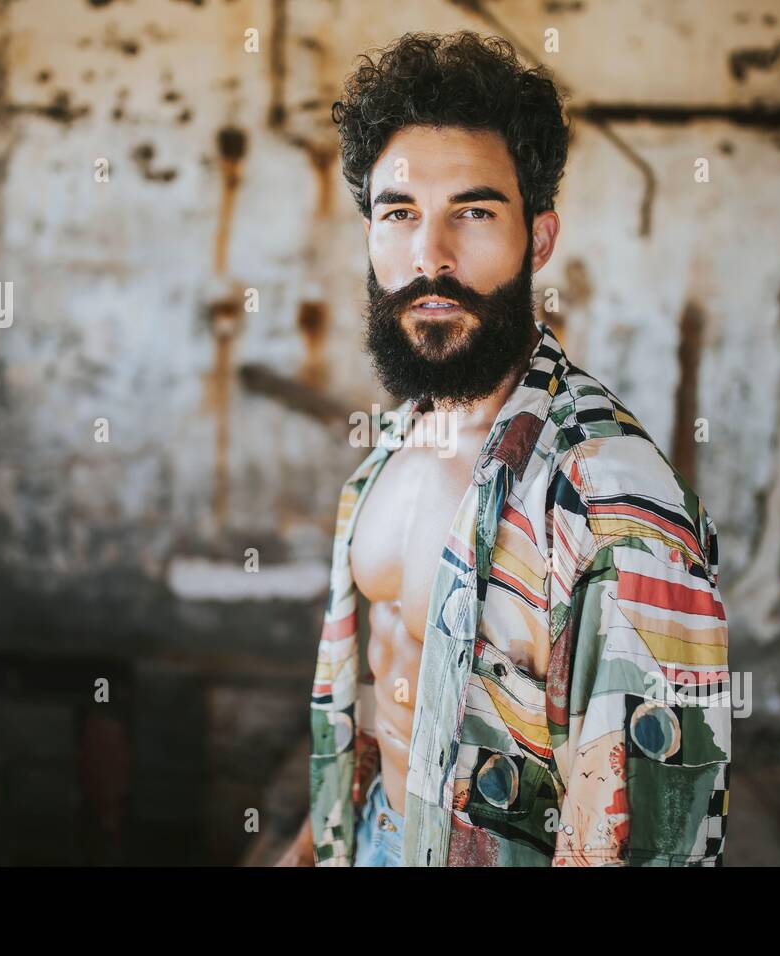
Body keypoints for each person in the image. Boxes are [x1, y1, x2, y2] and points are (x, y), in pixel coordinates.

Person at [277, 30, 730, 867]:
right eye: (400, 214)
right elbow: (382, 695)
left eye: (474, 213)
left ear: (540, 238)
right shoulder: (400, 440)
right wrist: (313, 848)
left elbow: (648, 844)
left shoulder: (612, 501)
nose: (430, 257)